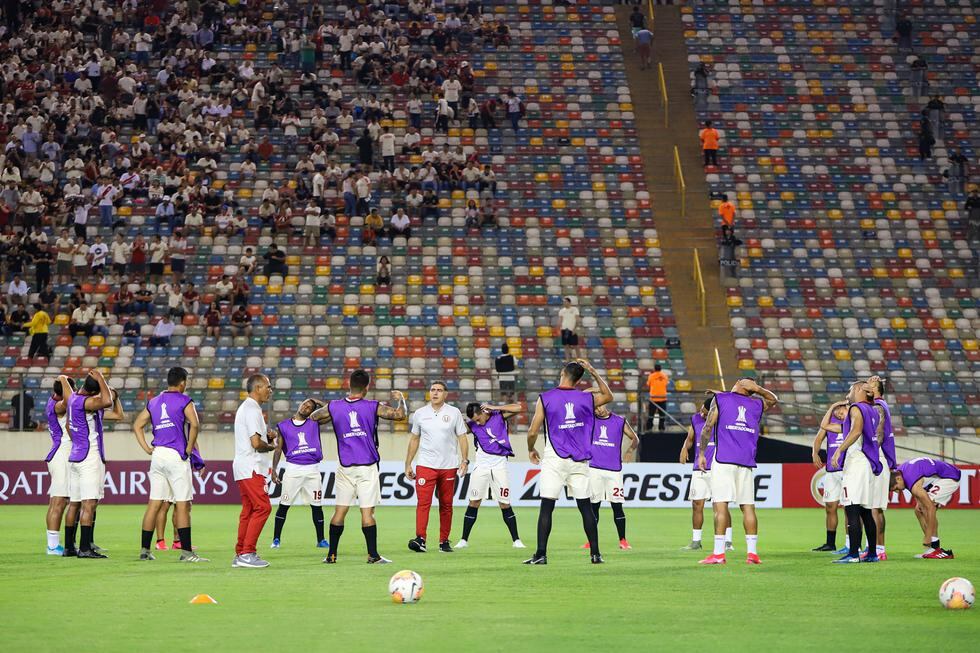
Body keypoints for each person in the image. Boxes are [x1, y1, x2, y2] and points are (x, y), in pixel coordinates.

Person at [310, 370, 406, 564]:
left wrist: (331, 411)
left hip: (345, 467)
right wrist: (401, 399)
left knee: (339, 512)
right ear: (367, 387)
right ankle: (372, 555)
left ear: (348, 384)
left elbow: (313, 417)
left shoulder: (335, 406)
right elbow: (399, 415)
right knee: (367, 513)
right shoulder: (373, 406)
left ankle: (331, 556)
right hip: (367, 466)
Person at [524, 360, 614, 565]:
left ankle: (541, 555)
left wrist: (530, 448)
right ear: (580, 379)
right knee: (586, 508)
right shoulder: (586, 398)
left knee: (547, 506)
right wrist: (593, 371)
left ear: (563, 372)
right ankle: (595, 554)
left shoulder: (545, 398)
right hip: (579, 460)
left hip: (555, 457)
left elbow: (532, 431)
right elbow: (609, 396)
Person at [697, 378, 778, 565]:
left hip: (723, 460)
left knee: (721, 505)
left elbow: (708, 427)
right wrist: (758, 389)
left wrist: (701, 453)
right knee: (748, 506)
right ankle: (752, 553)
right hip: (746, 461)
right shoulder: (756, 404)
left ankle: (718, 554)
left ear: (742, 385)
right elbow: (773, 400)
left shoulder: (721, 399)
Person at [132, 367, 208, 562]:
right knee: (182, 504)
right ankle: (187, 553)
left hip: (157, 456)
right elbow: (195, 424)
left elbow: (137, 425)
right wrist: (189, 449)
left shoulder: (154, 401)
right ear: (182, 382)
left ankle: (145, 551)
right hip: (176, 455)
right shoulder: (184, 400)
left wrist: (147, 449)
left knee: (154, 503)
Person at [60, 370, 124, 558]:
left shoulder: (73, 400)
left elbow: (116, 412)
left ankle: (69, 547)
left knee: (74, 504)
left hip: (76, 455)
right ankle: (85, 548)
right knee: (89, 504)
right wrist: (102, 380)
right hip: (89, 457)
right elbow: (106, 402)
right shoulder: (87, 403)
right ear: (93, 393)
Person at [405, 381, 469, 554]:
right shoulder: (420, 413)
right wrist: (408, 463)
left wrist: (465, 460)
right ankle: (420, 539)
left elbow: (462, 437)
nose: (435, 393)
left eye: (439, 390)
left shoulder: (454, 412)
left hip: (449, 466)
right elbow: (414, 439)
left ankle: (444, 541)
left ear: (445, 394)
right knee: (423, 503)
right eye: (432, 389)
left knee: (446, 504)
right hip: (426, 465)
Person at [454, 401, 525, 550]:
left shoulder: (499, 415)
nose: (477, 423)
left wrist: (496, 407)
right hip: (481, 466)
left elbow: (518, 407)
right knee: (474, 502)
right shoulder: (473, 425)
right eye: (474, 421)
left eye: (478, 419)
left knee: (504, 503)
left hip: (500, 465)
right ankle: (463, 540)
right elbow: (458, 431)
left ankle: (516, 540)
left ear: (484, 412)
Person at [828, 381, 882, 564]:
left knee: (851, 508)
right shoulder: (873, 410)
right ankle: (872, 553)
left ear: (860, 390)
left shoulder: (856, 408)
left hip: (857, 461)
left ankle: (853, 554)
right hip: (868, 463)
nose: (848, 392)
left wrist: (839, 450)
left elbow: (857, 431)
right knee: (866, 511)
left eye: (851, 388)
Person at [270, 399, 329, 550]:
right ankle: (276, 539)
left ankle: (321, 539)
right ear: (300, 404)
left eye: (310, 407)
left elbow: (332, 411)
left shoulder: (314, 422)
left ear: (312, 412)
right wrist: (274, 469)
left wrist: (317, 402)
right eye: (305, 404)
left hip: (312, 471)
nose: (306, 407)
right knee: (284, 505)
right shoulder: (283, 426)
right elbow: (278, 449)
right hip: (293, 470)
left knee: (317, 506)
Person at [232, 374, 276, 568]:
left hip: (243, 465)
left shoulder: (248, 408)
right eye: (268, 386)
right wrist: (272, 446)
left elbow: (256, 438)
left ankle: (241, 552)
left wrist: (268, 436)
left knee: (249, 510)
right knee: (263, 507)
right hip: (251, 466)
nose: (270, 390)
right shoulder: (252, 409)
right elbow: (256, 443)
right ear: (258, 388)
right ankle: (248, 553)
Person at [584, 404, 639, 551]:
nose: (598, 410)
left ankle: (623, 540)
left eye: (599, 406)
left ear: (605, 403)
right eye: (595, 408)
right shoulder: (590, 420)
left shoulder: (619, 421)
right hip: (594, 468)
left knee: (617, 506)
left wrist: (629, 451)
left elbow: (635, 438)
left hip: (614, 470)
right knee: (593, 506)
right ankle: (591, 540)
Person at [679, 397, 731, 551]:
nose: (701, 412)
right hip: (699, 468)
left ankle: (727, 541)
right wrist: (684, 448)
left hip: (718, 468)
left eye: (705, 411)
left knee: (721, 506)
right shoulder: (695, 418)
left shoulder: (723, 420)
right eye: (701, 408)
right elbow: (690, 438)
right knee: (696, 505)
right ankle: (696, 541)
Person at [889, 458, 961, 559]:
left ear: (898, 479)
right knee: (919, 510)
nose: (898, 491)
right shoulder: (901, 472)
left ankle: (936, 548)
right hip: (938, 477)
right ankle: (934, 549)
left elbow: (930, 508)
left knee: (928, 506)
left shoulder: (911, 481)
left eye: (896, 488)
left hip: (949, 477)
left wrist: (927, 535)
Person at [44, 378, 75, 555]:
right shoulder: (58, 405)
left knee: (59, 501)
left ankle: (54, 544)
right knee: (59, 501)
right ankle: (53, 546)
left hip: (62, 453)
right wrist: (65, 380)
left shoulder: (54, 401)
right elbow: (71, 401)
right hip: (61, 453)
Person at [813, 400, 849, 552]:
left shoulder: (854, 421)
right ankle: (830, 543)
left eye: (841, 411)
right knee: (830, 507)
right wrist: (815, 452)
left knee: (850, 508)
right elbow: (818, 438)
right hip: (831, 471)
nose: (839, 414)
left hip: (847, 470)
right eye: (836, 412)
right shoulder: (829, 423)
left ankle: (850, 544)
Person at [867, 375, 896, 561]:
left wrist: (871, 454)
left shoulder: (877, 406)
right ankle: (878, 548)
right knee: (875, 508)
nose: (864, 386)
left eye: (868, 383)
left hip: (878, 459)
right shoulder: (881, 405)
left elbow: (878, 434)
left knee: (874, 508)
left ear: (876, 389)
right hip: (882, 459)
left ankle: (878, 549)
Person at [645, 364, 668, 432]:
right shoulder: (665, 376)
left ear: (654, 369)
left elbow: (648, 384)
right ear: (660, 369)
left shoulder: (651, 376)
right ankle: (661, 428)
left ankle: (649, 428)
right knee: (662, 415)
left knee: (651, 414)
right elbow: (666, 384)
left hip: (653, 398)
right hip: (663, 398)